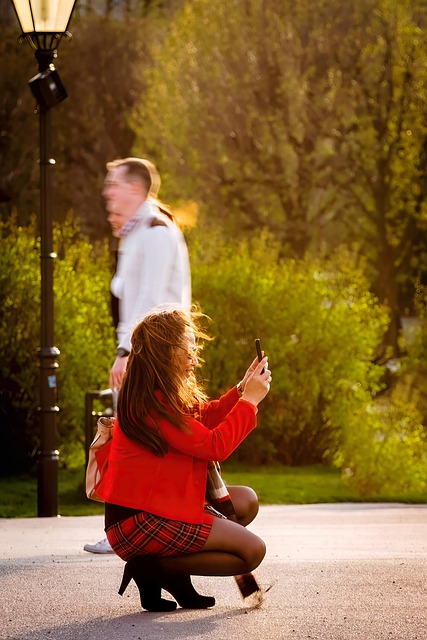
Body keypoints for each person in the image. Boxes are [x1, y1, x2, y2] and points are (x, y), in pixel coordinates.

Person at [96, 306, 272, 611]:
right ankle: (156, 569)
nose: (195, 356)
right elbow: (214, 445)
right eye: (188, 348)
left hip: (159, 507)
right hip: (139, 522)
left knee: (246, 501)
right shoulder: (154, 406)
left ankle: (168, 574)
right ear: (167, 354)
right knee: (252, 550)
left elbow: (206, 417)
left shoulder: (159, 394)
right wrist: (250, 402)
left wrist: (243, 389)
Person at [84, 157, 191, 554]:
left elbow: (149, 301)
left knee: (135, 442)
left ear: (135, 188)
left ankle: (133, 532)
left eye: (113, 184)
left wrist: (127, 350)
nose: (107, 192)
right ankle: (128, 530)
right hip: (143, 352)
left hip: (153, 354)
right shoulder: (137, 233)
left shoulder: (156, 232)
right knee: (133, 443)